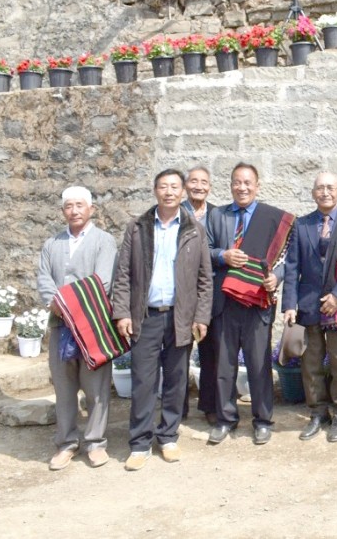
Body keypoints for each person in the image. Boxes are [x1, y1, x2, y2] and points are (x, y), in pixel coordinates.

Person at [111, 169, 213, 470]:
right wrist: (122, 313)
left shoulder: (194, 228)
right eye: (163, 186)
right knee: (143, 381)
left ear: (182, 192)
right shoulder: (138, 227)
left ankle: (168, 436)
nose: (169, 192)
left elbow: (205, 279)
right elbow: (123, 274)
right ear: (155, 191)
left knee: (176, 380)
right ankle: (140, 443)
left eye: (174, 187)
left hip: (180, 318)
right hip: (146, 317)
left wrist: (201, 317)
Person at [205, 162, 294, 446]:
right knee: (224, 365)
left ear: (257, 186)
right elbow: (202, 251)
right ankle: (225, 419)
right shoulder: (216, 216)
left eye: (247, 183)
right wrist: (223, 256)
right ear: (230, 185)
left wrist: (275, 278)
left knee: (258, 365)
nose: (242, 187)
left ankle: (263, 420)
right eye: (237, 182)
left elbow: (289, 257)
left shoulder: (272, 219)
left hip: (257, 302)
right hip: (224, 301)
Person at [282, 172, 337, 443]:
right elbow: (292, 267)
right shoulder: (302, 225)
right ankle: (317, 413)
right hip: (308, 306)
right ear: (313, 193)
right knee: (311, 365)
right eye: (320, 188)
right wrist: (289, 304)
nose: (325, 192)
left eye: (330, 187)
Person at [36, 186, 118, 470]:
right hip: (60, 325)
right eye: (69, 206)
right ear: (63, 211)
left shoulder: (103, 241)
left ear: (91, 209)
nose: (74, 210)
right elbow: (45, 280)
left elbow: (103, 280)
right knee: (64, 386)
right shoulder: (51, 244)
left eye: (80, 205)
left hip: (92, 324)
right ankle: (66, 442)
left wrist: (70, 304)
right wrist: (56, 304)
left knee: (96, 388)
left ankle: (95, 442)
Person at [182, 165, 218, 424]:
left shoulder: (218, 214)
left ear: (209, 187)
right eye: (193, 181)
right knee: (179, 352)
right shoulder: (175, 212)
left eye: (203, 182)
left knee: (211, 352)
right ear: (186, 185)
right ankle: (178, 405)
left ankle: (209, 405)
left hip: (210, 290)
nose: (198, 186)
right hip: (181, 292)